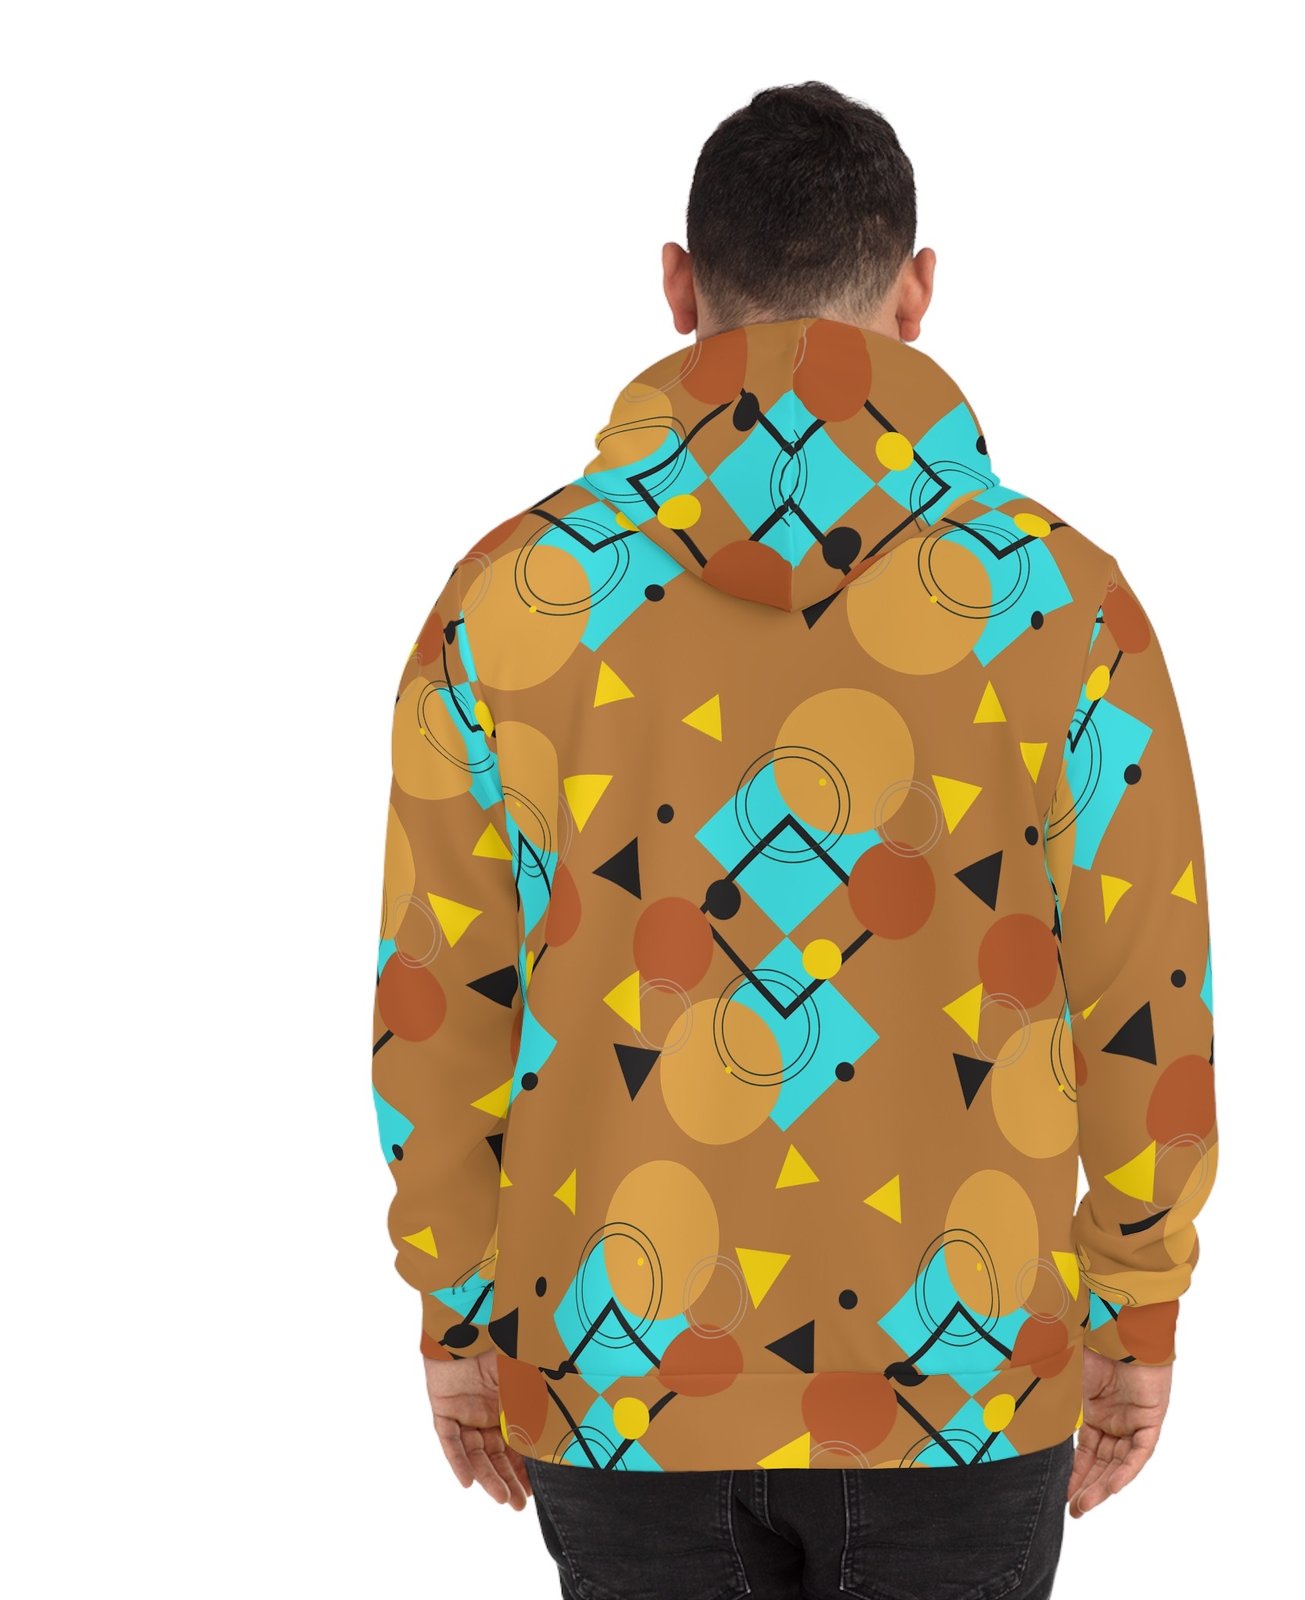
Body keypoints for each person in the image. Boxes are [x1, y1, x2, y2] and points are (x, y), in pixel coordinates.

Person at [370, 79, 1218, 1600]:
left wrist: (456, 1305)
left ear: (679, 288)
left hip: (617, 1373)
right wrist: (1137, 1300)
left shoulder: (509, 600)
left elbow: (439, 996)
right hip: (965, 1381)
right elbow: (1147, 991)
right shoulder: (1064, 604)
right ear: (917, 292)